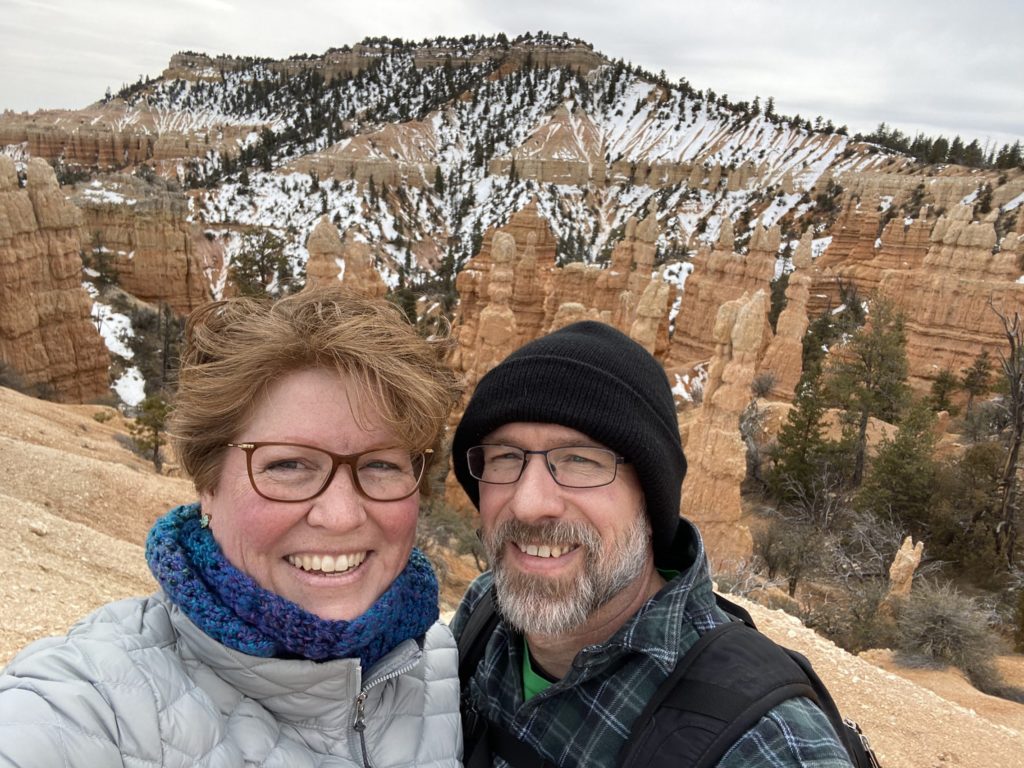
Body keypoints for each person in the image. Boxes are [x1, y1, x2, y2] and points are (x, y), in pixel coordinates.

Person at [0, 287, 463, 767]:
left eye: (381, 465)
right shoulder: (93, 703)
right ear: (208, 488)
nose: (342, 515)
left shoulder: (442, 661)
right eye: (287, 465)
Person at [450, 320, 854, 767]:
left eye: (580, 459)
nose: (529, 504)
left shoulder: (762, 741)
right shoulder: (483, 615)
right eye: (507, 457)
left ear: (650, 499)